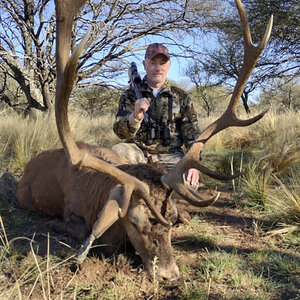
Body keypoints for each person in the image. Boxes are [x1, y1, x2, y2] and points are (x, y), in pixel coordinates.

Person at [112, 43, 200, 188]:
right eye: (153, 62)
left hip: (170, 155)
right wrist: (135, 117)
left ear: (169, 65)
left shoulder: (181, 96)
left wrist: (193, 162)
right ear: (144, 64)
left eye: (162, 63)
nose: (158, 68)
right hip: (137, 152)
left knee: (187, 184)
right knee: (116, 154)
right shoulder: (130, 95)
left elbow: (193, 136)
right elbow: (120, 133)